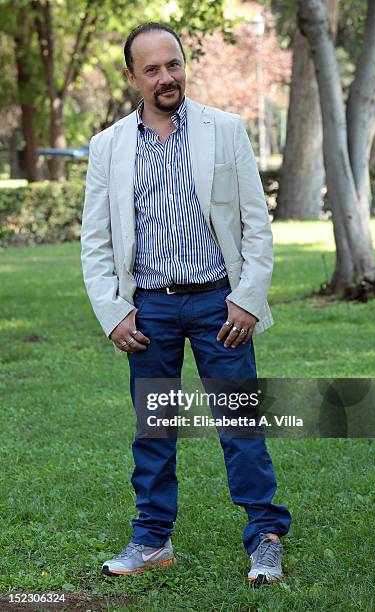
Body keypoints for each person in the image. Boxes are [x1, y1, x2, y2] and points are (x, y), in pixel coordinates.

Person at [80, 21, 291, 585]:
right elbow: (96, 242)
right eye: (151, 69)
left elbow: (256, 225)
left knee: (241, 426)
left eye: (172, 64)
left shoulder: (225, 130)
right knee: (154, 431)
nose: (166, 77)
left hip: (219, 309)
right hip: (147, 312)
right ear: (132, 78)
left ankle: (265, 537)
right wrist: (114, 312)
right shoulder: (108, 147)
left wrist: (246, 299)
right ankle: (152, 540)